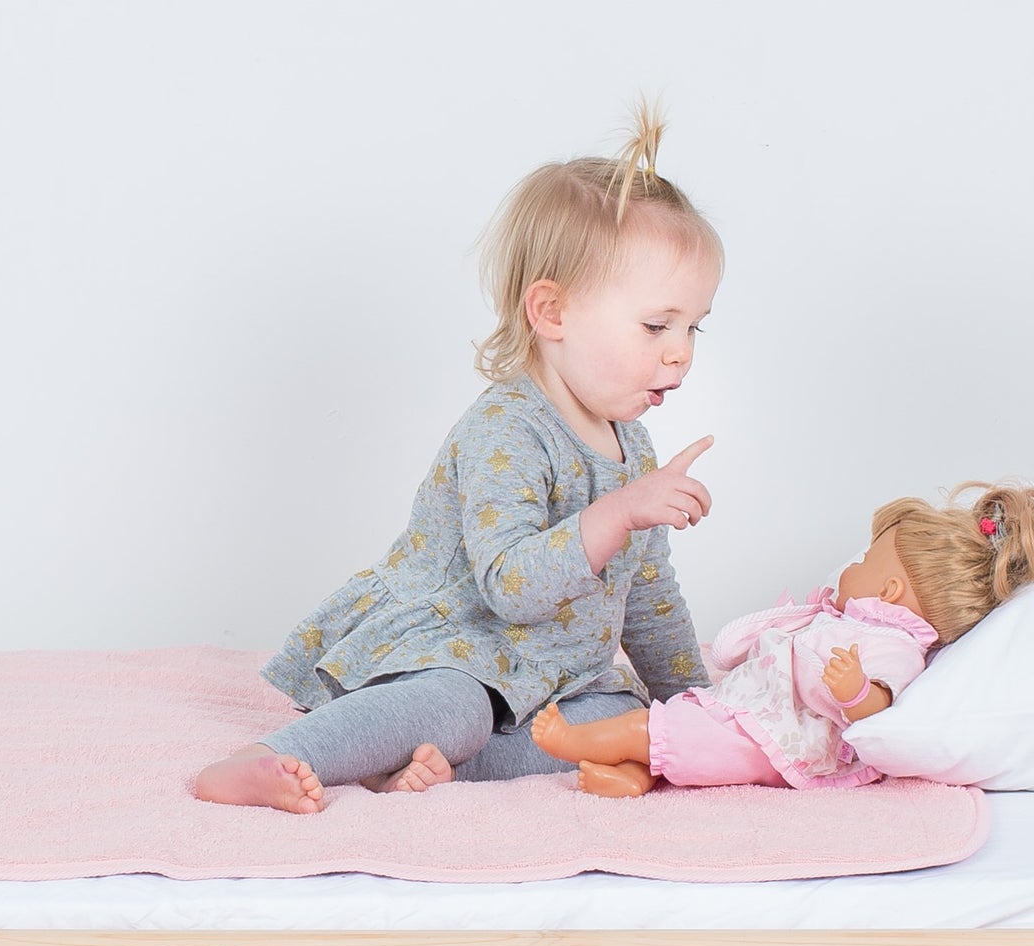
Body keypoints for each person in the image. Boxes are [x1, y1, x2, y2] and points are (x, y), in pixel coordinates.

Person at [192, 104, 723, 813]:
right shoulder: (507, 430)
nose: (680, 349)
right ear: (552, 312)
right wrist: (616, 514)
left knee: (623, 725)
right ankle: (266, 761)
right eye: (657, 323)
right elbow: (510, 585)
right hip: (455, 653)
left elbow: (650, 601)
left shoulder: (634, 447)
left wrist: (697, 709)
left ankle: (416, 766)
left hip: (553, 679)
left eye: (693, 326)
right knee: (459, 708)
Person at [528, 482, 1034, 796]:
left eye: (865, 561)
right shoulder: (849, 622)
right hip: (748, 715)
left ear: (892, 587)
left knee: (650, 726)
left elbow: (882, 703)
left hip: (769, 739)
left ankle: (570, 742)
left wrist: (853, 693)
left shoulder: (892, 647)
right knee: (676, 737)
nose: (849, 570)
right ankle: (631, 777)